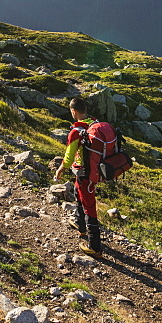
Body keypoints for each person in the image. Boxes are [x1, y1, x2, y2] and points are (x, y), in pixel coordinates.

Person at [54, 96, 103, 255]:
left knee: (89, 206)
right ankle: (80, 225)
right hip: (93, 169)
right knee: (77, 192)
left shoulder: (76, 131)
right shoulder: (93, 124)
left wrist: (60, 169)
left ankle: (95, 246)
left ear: (73, 111)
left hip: (85, 173)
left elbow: (68, 158)